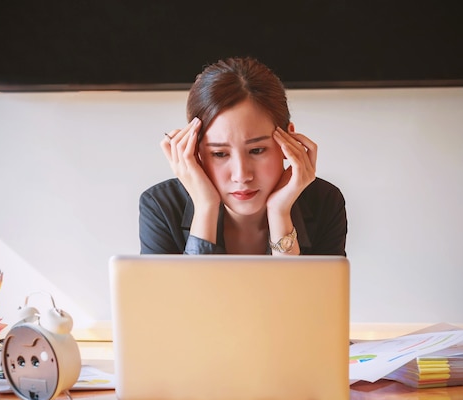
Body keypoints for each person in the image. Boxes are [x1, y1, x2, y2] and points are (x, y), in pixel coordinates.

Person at [139, 57, 347, 255]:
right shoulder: (161, 206)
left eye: (257, 150)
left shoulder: (325, 202)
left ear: (289, 141)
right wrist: (205, 208)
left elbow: (307, 294)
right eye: (219, 153)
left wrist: (279, 213)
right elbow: (185, 294)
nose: (241, 175)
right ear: (195, 151)